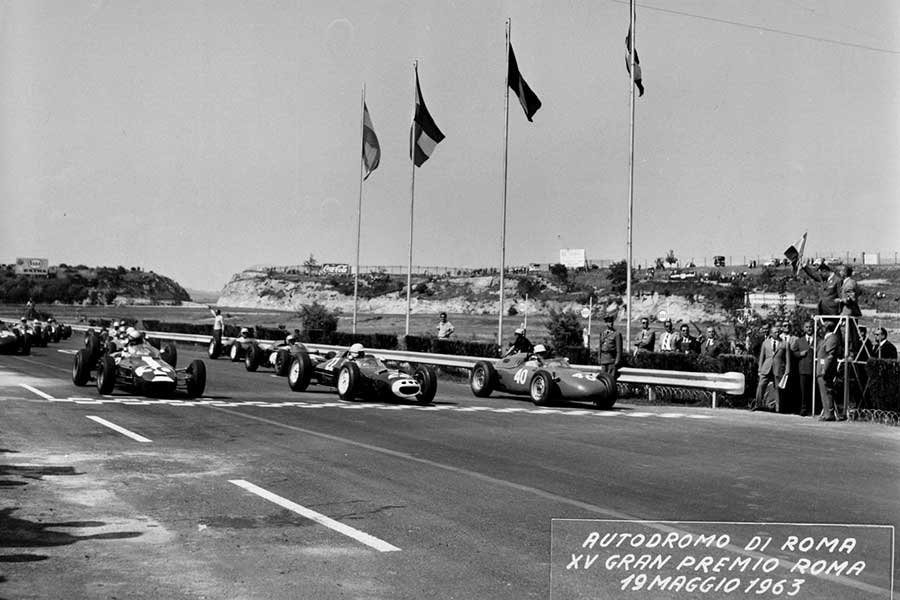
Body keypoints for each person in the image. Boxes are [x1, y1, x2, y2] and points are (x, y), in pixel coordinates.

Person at [754, 323, 790, 412]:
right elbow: (761, 357)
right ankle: (757, 404)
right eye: (775, 332)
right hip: (766, 368)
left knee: (778, 388)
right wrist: (760, 369)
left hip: (778, 369)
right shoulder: (765, 343)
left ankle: (778, 408)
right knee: (761, 385)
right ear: (771, 334)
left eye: (778, 332)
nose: (777, 334)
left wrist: (787, 370)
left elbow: (787, 359)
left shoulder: (785, 343)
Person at [816, 319, 844, 421]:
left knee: (826, 392)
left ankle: (829, 414)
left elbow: (830, 356)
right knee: (824, 392)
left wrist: (824, 369)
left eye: (822, 328)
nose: (820, 330)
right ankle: (827, 412)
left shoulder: (832, 338)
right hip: (822, 368)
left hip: (825, 370)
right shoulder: (826, 338)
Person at [790, 320, 815, 416]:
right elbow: (793, 353)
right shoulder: (799, 341)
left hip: (813, 368)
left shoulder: (818, 339)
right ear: (804, 329)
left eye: (811, 327)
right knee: (803, 390)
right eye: (807, 327)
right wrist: (800, 354)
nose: (809, 329)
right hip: (803, 369)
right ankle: (803, 408)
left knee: (812, 390)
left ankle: (813, 408)